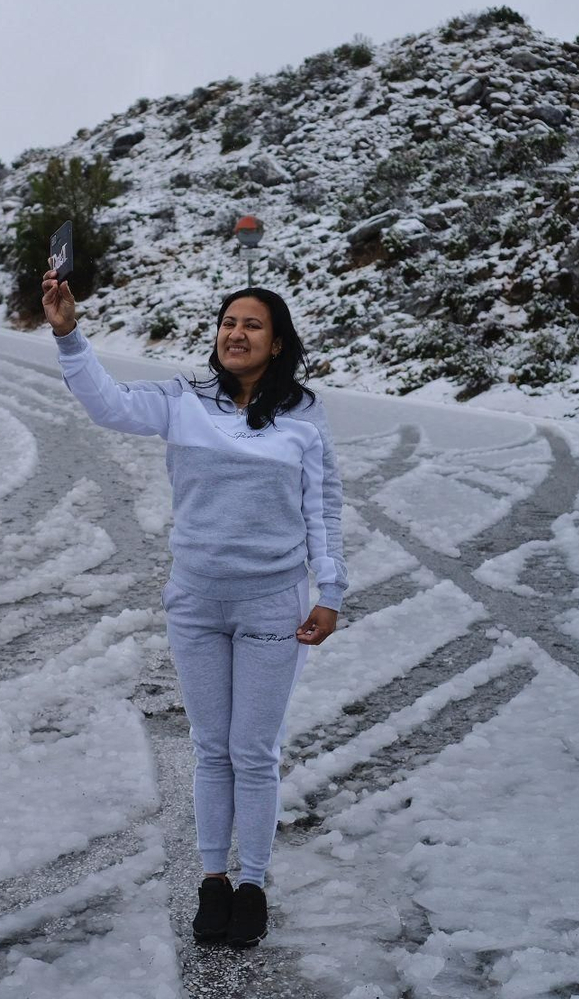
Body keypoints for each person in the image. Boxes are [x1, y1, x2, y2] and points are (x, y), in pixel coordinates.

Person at [41, 267, 347, 949]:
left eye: (252, 325)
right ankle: (213, 879)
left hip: (273, 601)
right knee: (211, 748)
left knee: (254, 751)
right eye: (228, 322)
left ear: (277, 343)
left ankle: (254, 884)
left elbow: (322, 506)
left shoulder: (303, 413)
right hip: (197, 602)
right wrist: (69, 333)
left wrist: (331, 591)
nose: (235, 333)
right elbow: (110, 404)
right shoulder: (184, 399)